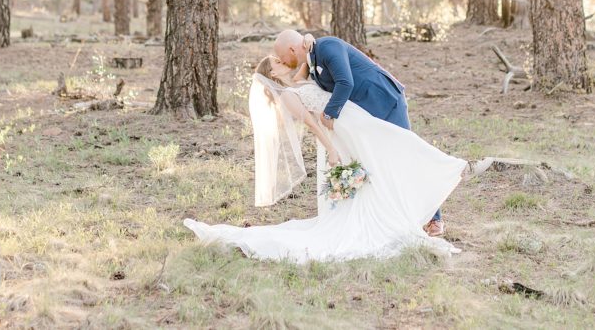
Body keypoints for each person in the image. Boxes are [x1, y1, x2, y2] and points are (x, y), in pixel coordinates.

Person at [182, 54, 493, 263]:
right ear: (271, 73)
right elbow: (312, 123)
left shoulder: (298, 82)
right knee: (392, 147)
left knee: (395, 145)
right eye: (277, 63)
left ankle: (448, 170)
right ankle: (453, 169)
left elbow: (306, 54)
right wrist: (331, 150)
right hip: (341, 133)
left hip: (352, 122)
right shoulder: (289, 96)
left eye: (281, 59)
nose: (283, 63)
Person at [273, 30, 447, 236]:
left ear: (292, 49)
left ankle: (435, 219)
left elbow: (345, 82)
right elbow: (301, 77)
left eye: (282, 57)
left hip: (386, 101)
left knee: (406, 157)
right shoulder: (311, 60)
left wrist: (329, 114)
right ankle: (399, 214)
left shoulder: (328, 46)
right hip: (365, 114)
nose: (282, 61)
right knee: (381, 163)